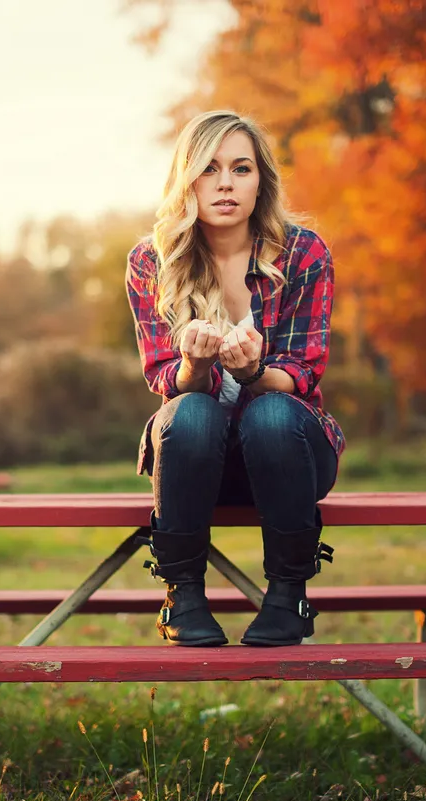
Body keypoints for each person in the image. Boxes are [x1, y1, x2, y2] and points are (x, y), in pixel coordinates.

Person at [124, 110, 345, 647]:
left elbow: (303, 372)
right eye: (208, 168)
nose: (225, 183)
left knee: (270, 411)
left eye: (241, 168)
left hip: (287, 456)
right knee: (191, 410)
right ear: (186, 180)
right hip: (194, 465)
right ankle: (184, 597)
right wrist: (196, 368)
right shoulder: (152, 261)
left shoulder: (303, 254)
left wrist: (253, 373)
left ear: (260, 180)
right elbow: (163, 378)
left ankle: (289, 596)